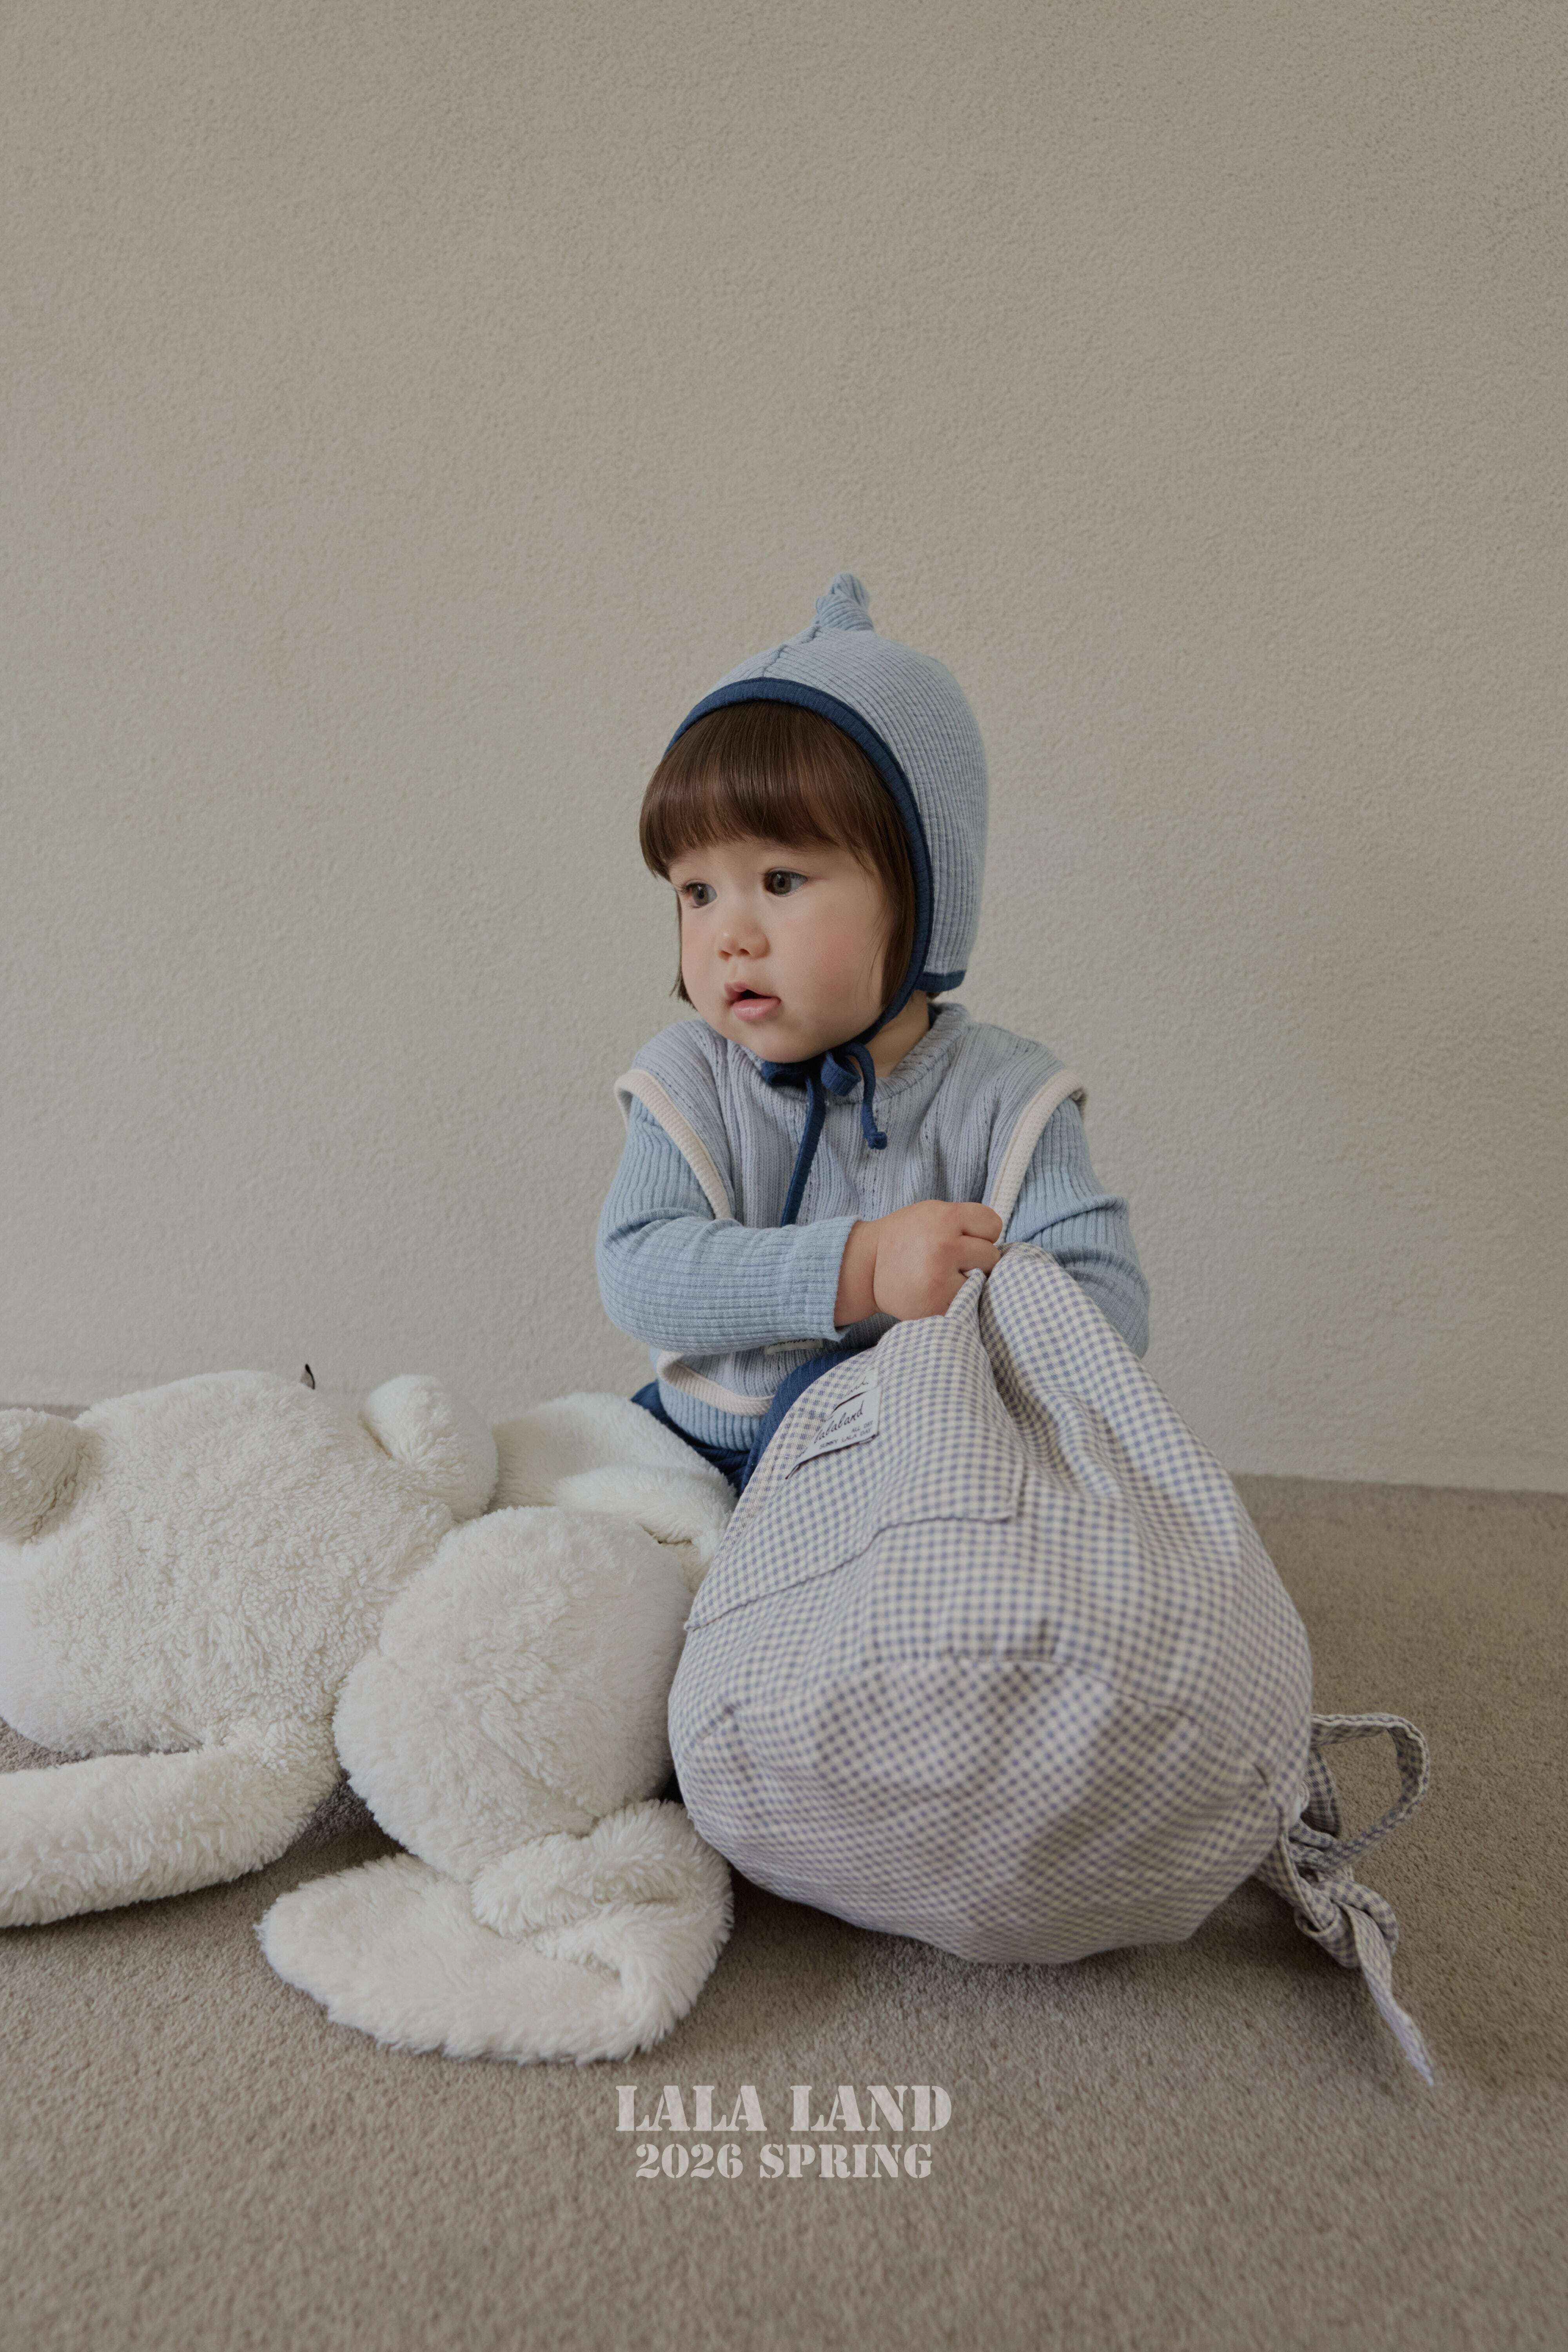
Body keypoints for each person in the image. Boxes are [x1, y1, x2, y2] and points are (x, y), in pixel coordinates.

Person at [596, 572, 1149, 1497]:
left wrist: (967, 1303)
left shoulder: (1006, 1096)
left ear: (923, 895)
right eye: (697, 891)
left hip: (916, 1460)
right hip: (706, 1456)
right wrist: (862, 1266)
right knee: (583, 1534)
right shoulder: (688, 1078)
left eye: (780, 881)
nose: (728, 934)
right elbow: (639, 1270)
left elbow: (1105, 1306)